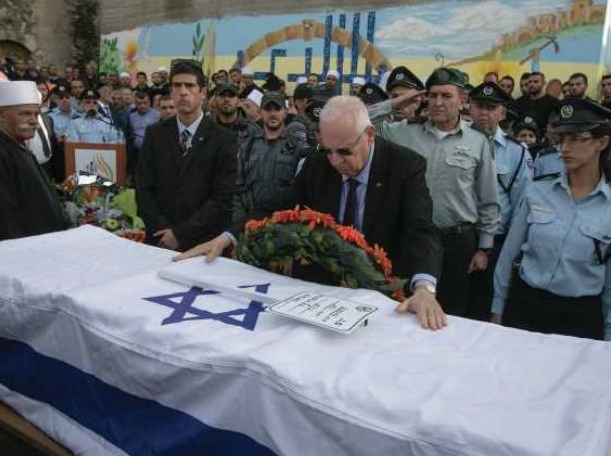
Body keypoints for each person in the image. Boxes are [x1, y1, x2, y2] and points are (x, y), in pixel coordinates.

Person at [176, 96, 445, 329]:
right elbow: (278, 205)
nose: (336, 162)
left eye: (345, 151)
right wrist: (226, 237)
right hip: (320, 293)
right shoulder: (319, 164)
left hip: (379, 296)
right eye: (328, 151)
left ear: (370, 135)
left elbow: (420, 230)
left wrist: (424, 288)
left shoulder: (405, 166)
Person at [491, 98, 611, 344]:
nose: (565, 148)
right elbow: (508, 256)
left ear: (601, 143)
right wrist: (498, 308)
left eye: (576, 139)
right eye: (562, 139)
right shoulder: (539, 190)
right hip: (525, 306)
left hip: (578, 316)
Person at [368, 67, 499, 317]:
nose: (438, 102)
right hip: (412, 240)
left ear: (463, 100)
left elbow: (488, 199)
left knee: (451, 312)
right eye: (433, 95)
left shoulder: (478, 141)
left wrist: (484, 248)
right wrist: (394, 103)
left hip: (457, 243)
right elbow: (362, 125)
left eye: (446, 96)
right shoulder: (404, 132)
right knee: (404, 308)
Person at [135, 59, 237, 252]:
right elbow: (143, 188)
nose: (183, 92)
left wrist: (180, 234)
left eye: (189, 85)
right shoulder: (154, 134)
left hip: (203, 244)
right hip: (159, 241)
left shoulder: (223, 139)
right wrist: (162, 229)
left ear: (203, 92)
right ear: (171, 91)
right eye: (177, 86)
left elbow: (221, 199)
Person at [0, 81, 66, 244]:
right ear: (1, 114)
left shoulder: (16, 144)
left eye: (36, 114)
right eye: (25, 114)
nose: (34, 121)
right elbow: (2, 217)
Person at [467, 82, 532, 320]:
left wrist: (509, 252)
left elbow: (521, 206)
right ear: (469, 108)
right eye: (478, 106)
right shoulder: (457, 141)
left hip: (496, 243)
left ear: (502, 113)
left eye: (491, 107)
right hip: (460, 237)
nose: (483, 112)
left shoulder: (518, 152)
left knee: (481, 311)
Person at [230, 93, 309, 234]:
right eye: (268, 109)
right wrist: (238, 226)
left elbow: (303, 194)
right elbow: (238, 189)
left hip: (285, 226)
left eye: (277, 109)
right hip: (251, 224)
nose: (272, 114)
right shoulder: (247, 146)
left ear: (285, 112)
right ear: (260, 112)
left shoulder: (298, 148)